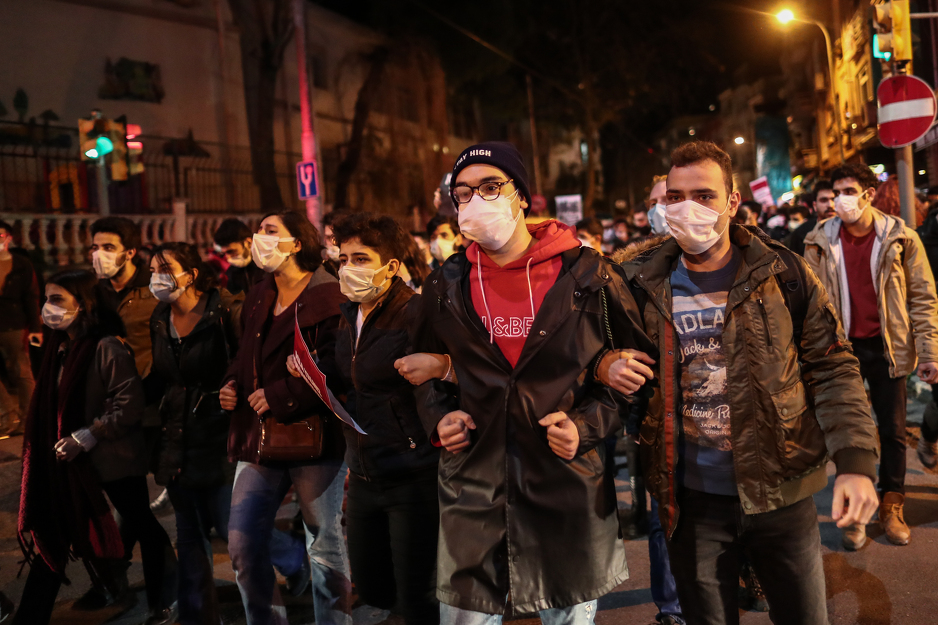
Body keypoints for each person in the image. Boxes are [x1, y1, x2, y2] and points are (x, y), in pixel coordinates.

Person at [599, 141, 879, 625]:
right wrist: (606, 365)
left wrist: (855, 461)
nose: (688, 207)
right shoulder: (634, 284)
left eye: (704, 195)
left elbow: (833, 368)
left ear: (732, 202)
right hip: (690, 501)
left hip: (780, 493)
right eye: (675, 197)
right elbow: (591, 356)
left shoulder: (785, 273)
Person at [413, 142, 654, 625]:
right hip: (473, 486)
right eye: (462, 192)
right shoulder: (445, 283)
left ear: (521, 196)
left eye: (490, 186)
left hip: (564, 484)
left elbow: (634, 374)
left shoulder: (588, 276)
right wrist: (441, 417)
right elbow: (421, 369)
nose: (476, 200)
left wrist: (585, 427)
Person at [15, 270, 178, 625]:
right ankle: (29, 615)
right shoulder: (61, 347)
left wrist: (88, 436)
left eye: (57, 299)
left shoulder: (107, 346)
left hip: (111, 458)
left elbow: (128, 405)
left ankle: (165, 601)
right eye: (46, 298)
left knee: (142, 525)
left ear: (84, 305)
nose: (47, 307)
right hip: (70, 461)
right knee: (54, 534)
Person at [220, 210, 352, 625]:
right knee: (241, 542)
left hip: (314, 438)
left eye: (270, 231)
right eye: (259, 230)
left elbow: (336, 364)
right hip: (259, 436)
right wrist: (231, 384)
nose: (259, 238)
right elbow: (245, 354)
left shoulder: (328, 293)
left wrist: (279, 395)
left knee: (324, 545)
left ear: (297, 243)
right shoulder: (260, 292)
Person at [804, 163, 938, 549]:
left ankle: (891, 504)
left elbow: (923, 298)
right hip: (841, 349)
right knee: (848, 431)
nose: (842, 199)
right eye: (837, 191)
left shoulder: (900, 238)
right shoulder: (819, 241)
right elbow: (810, 305)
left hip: (887, 346)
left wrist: (929, 352)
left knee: (893, 430)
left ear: (868, 193)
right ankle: (855, 515)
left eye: (849, 190)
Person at [327, 213, 440, 625]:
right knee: (373, 588)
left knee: (417, 597)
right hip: (362, 473)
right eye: (343, 259)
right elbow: (352, 372)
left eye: (360, 258)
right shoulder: (349, 314)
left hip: (412, 473)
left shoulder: (415, 311)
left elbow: (439, 386)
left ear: (391, 266)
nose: (348, 268)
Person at [148, 243, 243, 625]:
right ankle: (199, 617)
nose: (158, 277)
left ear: (190, 273)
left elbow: (243, 364)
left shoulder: (224, 313)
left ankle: (289, 565)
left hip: (221, 436)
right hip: (180, 436)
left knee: (232, 529)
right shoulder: (159, 316)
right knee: (188, 535)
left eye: (166, 268)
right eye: (153, 269)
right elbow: (164, 378)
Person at [88, 216, 177, 611]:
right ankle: (122, 577)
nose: (99, 255)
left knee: (140, 506)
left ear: (129, 252)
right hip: (115, 413)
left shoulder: (153, 289)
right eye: (94, 247)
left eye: (108, 248)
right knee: (131, 503)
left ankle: (148, 583)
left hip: (153, 408)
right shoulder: (93, 294)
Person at [0, 220, 41, 436]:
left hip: (14, 323)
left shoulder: (21, 264)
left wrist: (35, 327)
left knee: (20, 370)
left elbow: (31, 295)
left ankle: (29, 419)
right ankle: (7, 415)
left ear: (8, 237)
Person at [214, 217, 264, 296]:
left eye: (232, 251)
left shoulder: (267, 267)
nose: (228, 257)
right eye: (224, 253)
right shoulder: (232, 273)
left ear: (248, 242)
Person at [787, 181, 834, 257]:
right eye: (824, 200)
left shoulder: (848, 230)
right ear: (815, 206)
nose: (830, 205)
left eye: (833, 199)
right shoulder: (801, 234)